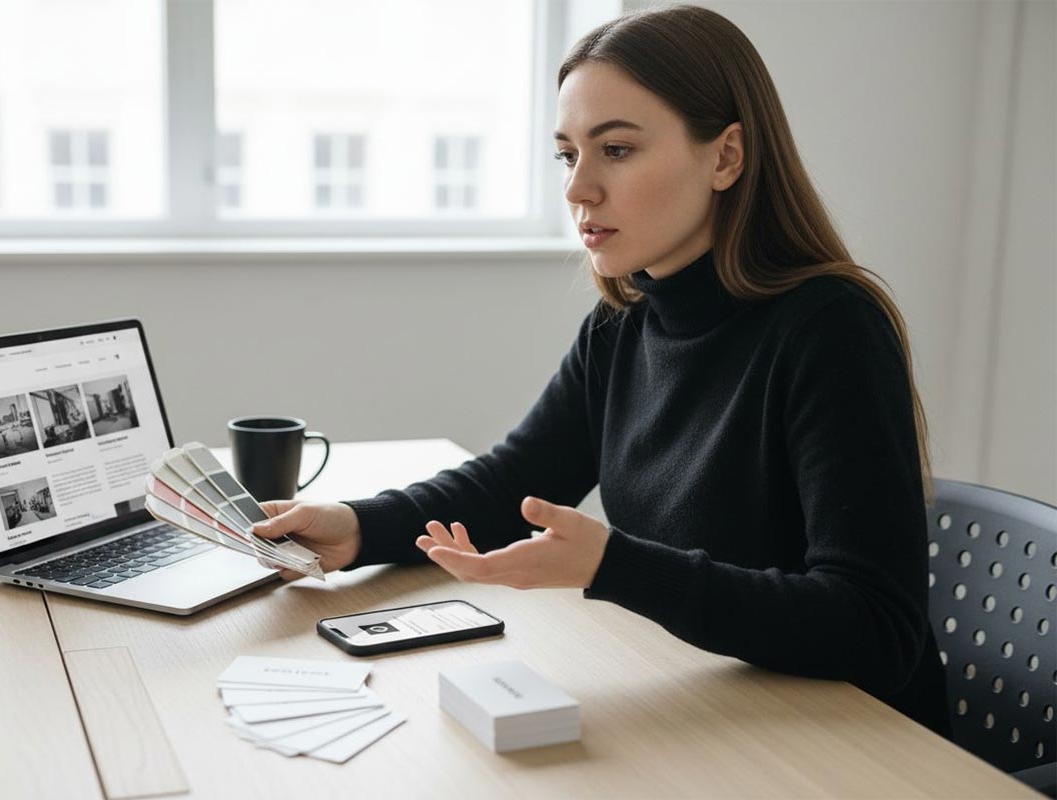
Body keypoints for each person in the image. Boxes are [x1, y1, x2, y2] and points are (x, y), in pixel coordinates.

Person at [252, 5, 950, 737]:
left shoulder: (829, 326)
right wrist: (356, 527)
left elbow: (873, 627)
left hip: (854, 746)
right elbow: (507, 486)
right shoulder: (623, 328)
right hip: (724, 712)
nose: (578, 189)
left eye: (615, 150)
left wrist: (615, 565)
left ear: (726, 157)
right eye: (567, 155)